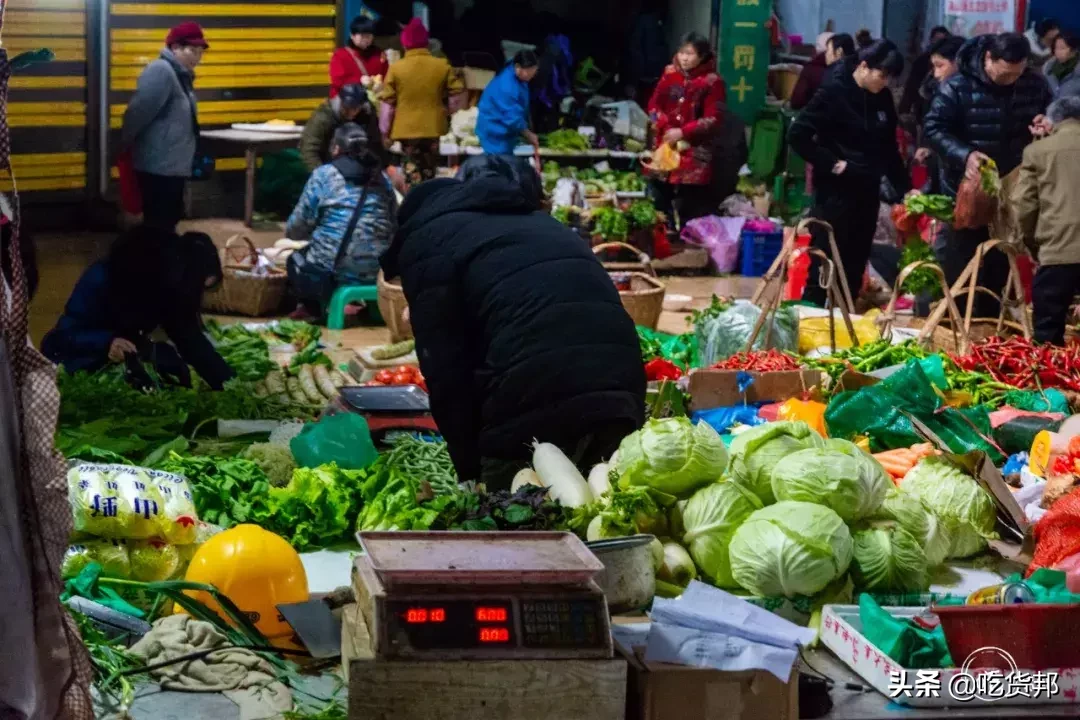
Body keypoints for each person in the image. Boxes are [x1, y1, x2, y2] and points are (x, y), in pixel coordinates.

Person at [380, 176, 646, 489]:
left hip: (530, 396)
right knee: (604, 518)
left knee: (516, 526)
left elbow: (446, 371)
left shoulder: (427, 240)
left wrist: (469, 471)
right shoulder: (539, 222)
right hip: (621, 388)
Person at [924, 33, 1052, 316]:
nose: (1010, 81)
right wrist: (964, 154)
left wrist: (1045, 123)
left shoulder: (1034, 84)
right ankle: (954, 325)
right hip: (965, 189)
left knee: (1000, 261)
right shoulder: (957, 87)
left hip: (1011, 191)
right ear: (988, 59)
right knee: (962, 264)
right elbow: (933, 129)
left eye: (1016, 75)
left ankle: (991, 328)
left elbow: (1048, 111)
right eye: (1005, 75)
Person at [788, 40, 910, 308]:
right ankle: (811, 323)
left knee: (854, 265)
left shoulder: (882, 98)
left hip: (867, 191)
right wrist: (832, 163)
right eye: (882, 75)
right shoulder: (833, 92)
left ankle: (845, 322)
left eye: (890, 78)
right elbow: (798, 135)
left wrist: (905, 188)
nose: (885, 82)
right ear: (864, 67)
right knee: (824, 262)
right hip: (834, 193)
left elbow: (889, 149)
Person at [42, 227, 234, 390]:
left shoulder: (169, 287)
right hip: (84, 357)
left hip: (129, 355)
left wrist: (230, 383)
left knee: (172, 368)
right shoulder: (102, 279)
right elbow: (62, 337)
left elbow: (190, 340)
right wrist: (106, 343)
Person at [286, 123, 397, 320]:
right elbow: (393, 223)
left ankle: (313, 310)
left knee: (294, 260)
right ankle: (370, 310)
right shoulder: (382, 178)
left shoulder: (323, 175)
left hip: (334, 271)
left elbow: (296, 228)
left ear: (336, 148)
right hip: (377, 269)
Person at [120, 21, 208, 231]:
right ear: (175, 47)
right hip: (157, 170)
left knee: (167, 225)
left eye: (200, 52)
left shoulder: (181, 76)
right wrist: (123, 146)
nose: (197, 57)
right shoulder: (161, 71)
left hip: (172, 169)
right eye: (191, 50)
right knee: (158, 227)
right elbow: (136, 114)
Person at [1013, 96, 1080, 345]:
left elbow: (1024, 207)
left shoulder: (1038, 152)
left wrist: (1032, 246)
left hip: (1057, 252)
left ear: (1052, 121)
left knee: (1048, 337)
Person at [646, 32, 727, 228]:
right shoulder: (669, 73)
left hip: (694, 151)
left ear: (702, 56)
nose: (684, 58)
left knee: (690, 205)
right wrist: (661, 123)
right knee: (658, 197)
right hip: (666, 146)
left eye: (690, 54)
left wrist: (683, 132)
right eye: (682, 52)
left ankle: (689, 246)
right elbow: (653, 106)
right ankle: (664, 240)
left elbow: (713, 118)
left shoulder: (712, 81)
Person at [379, 18, 466, 186]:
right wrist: (447, 112)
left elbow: (387, 105)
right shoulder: (442, 65)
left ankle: (413, 201)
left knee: (411, 174)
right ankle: (429, 200)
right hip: (433, 127)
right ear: (426, 44)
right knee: (430, 171)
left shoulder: (397, 68)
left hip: (406, 131)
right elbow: (457, 96)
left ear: (405, 44)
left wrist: (384, 131)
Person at [300, 83, 383, 172]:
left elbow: (375, 144)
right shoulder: (323, 118)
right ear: (341, 101)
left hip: (355, 169)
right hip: (327, 166)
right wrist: (323, 175)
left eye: (355, 108)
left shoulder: (366, 115)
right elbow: (309, 150)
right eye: (347, 108)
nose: (351, 113)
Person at [475, 50, 540, 155]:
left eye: (534, 71)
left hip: (507, 132)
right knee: (498, 164)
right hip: (494, 132)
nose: (531, 76)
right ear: (518, 67)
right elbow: (512, 117)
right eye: (529, 72)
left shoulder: (520, 77)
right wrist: (528, 134)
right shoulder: (507, 86)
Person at [790, 32, 855, 110]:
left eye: (828, 50)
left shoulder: (827, 76)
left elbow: (796, 101)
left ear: (839, 52)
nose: (825, 54)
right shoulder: (858, 75)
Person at [622, 0, 670, 106]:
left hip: (649, 75)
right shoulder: (647, 21)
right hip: (647, 76)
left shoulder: (650, 21)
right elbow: (636, 51)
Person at [329, 16, 389, 98]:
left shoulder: (379, 54)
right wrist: (359, 81)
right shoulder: (340, 55)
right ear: (352, 36)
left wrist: (382, 86)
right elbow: (337, 81)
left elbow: (387, 77)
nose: (365, 39)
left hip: (371, 105)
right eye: (362, 36)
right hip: (347, 105)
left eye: (368, 36)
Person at [900, 26, 952, 118]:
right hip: (923, 108)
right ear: (931, 40)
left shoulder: (951, 63)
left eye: (942, 40)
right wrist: (904, 111)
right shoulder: (922, 61)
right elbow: (911, 87)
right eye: (937, 39)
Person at [1045, 31, 1080, 99]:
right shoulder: (1048, 68)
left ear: (1074, 50)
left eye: (1062, 48)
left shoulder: (1077, 74)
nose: (1057, 52)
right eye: (1056, 48)